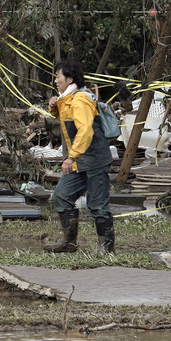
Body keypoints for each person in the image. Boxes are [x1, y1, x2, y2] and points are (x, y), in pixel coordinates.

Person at [43, 61, 116, 254]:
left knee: (97, 205)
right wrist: (54, 106)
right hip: (79, 161)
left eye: (58, 76)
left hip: (94, 159)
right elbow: (65, 119)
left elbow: (85, 131)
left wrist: (71, 157)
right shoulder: (68, 99)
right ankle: (69, 243)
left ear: (69, 79)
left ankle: (106, 249)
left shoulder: (80, 100)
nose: (55, 80)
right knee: (61, 196)